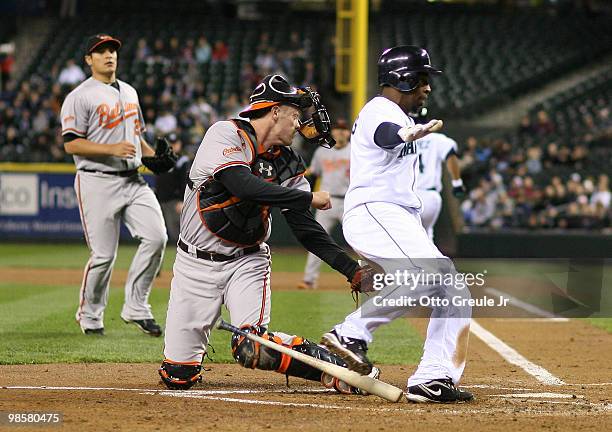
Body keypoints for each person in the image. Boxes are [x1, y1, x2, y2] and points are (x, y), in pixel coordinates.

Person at [158, 74, 376, 393]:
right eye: (295, 114)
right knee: (177, 376)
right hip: (194, 264)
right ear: (275, 111)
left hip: (247, 262)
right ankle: (186, 360)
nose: (300, 123)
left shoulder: (288, 162)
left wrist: (350, 269)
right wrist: (308, 197)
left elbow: (305, 228)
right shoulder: (225, 134)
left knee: (252, 346)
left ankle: (336, 369)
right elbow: (240, 183)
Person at [320, 46, 473, 403]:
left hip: (396, 216)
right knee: (428, 274)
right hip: (376, 210)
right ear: (401, 78)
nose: (427, 88)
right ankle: (349, 334)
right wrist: (409, 134)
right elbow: (386, 135)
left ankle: (434, 377)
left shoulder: (398, 113)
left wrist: (411, 132)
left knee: (452, 288)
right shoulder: (380, 111)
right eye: (422, 79)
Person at [60, 34, 178, 337]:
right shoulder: (79, 96)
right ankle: (90, 315)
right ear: (89, 60)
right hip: (96, 181)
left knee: (157, 236)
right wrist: (111, 150)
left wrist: (154, 156)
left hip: (133, 180)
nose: (108, 55)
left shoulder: (129, 92)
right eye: (100, 51)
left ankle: (136, 307)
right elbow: (71, 144)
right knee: (103, 256)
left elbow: (136, 136)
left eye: (111, 49)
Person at [298, 119, 351, 289]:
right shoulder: (322, 152)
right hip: (327, 201)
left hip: (349, 202)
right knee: (317, 240)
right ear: (332, 132)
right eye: (337, 129)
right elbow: (313, 171)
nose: (340, 132)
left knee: (359, 241)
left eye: (344, 129)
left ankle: (371, 277)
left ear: (348, 133)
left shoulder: (356, 152)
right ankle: (309, 280)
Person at [414, 125, 465, 239]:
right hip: (429, 196)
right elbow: (450, 154)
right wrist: (457, 183)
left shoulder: (402, 138)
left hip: (408, 196)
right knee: (426, 235)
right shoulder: (437, 139)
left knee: (407, 238)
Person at [154, 132, 190, 244]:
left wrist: (181, 200)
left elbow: (185, 182)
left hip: (174, 202)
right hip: (161, 200)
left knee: (178, 235)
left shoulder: (182, 161)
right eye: (170, 143)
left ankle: (184, 259)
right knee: (162, 234)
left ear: (179, 144)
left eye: (175, 143)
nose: (173, 146)